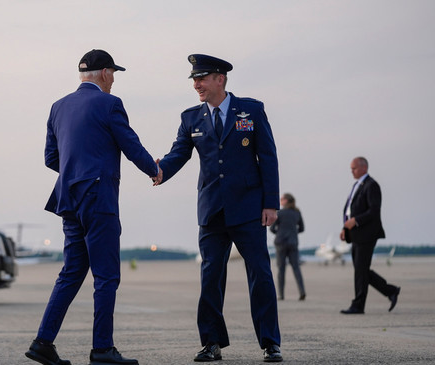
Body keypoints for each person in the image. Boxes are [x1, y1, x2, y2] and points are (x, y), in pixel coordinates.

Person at [25, 49, 159, 365]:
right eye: (113, 73)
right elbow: (131, 145)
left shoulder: (59, 107)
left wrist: (77, 170)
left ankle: (43, 342)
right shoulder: (109, 103)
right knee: (106, 275)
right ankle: (102, 349)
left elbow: (51, 158)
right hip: (98, 198)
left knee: (71, 273)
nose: (113, 80)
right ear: (103, 73)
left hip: (68, 199)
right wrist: (155, 170)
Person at [154, 54, 282, 362]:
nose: (196, 84)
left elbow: (268, 156)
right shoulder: (190, 118)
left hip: (249, 208)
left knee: (260, 275)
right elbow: (178, 154)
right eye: (194, 79)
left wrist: (271, 204)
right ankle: (211, 342)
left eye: (202, 78)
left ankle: (270, 342)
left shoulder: (251, 110)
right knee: (210, 276)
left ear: (220, 79)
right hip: (211, 210)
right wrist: (158, 170)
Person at [339, 157, 400, 314]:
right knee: (361, 270)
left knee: (361, 270)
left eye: (354, 168)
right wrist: (345, 229)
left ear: (364, 168)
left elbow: (374, 211)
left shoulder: (372, 185)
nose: (351, 171)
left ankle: (358, 305)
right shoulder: (357, 185)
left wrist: (355, 221)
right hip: (355, 234)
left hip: (367, 234)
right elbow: (350, 211)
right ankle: (390, 291)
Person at [270, 193, 306, 301]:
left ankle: (281, 294)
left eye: (282, 199)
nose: (280, 200)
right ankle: (302, 291)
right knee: (296, 268)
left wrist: (279, 233)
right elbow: (302, 228)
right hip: (293, 242)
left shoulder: (280, 213)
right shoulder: (297, 213)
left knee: (281, 269)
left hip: (280, 243)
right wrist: (293, 233)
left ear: (286, 201)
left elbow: (272, 229)